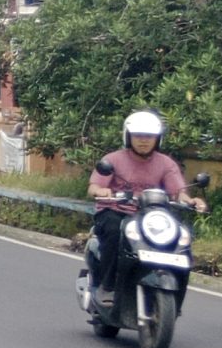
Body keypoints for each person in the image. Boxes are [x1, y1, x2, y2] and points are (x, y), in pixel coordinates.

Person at [83, 110, 204, 311]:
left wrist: (190, 201)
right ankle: (107, 286)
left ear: (157, 139)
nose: (143, 141)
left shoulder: (166, 163)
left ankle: (175, 293)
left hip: (151, 217)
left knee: (181, 238)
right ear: (128, 136)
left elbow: (177, 192)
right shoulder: (113, 160)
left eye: (149, 136)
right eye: (138, 135)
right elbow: (93, 187)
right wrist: (102, 190)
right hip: (116, 211)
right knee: (114, 231)